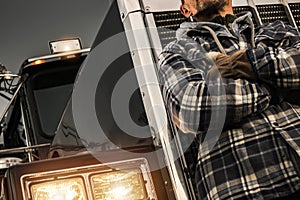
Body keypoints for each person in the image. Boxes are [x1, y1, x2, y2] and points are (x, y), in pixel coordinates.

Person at [158, 0, 300, 199]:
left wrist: (234, 65)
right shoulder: (177, 52)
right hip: (241, 186)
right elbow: (192, 107)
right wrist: (279, 89)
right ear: (185, 10)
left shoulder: (276, 30)